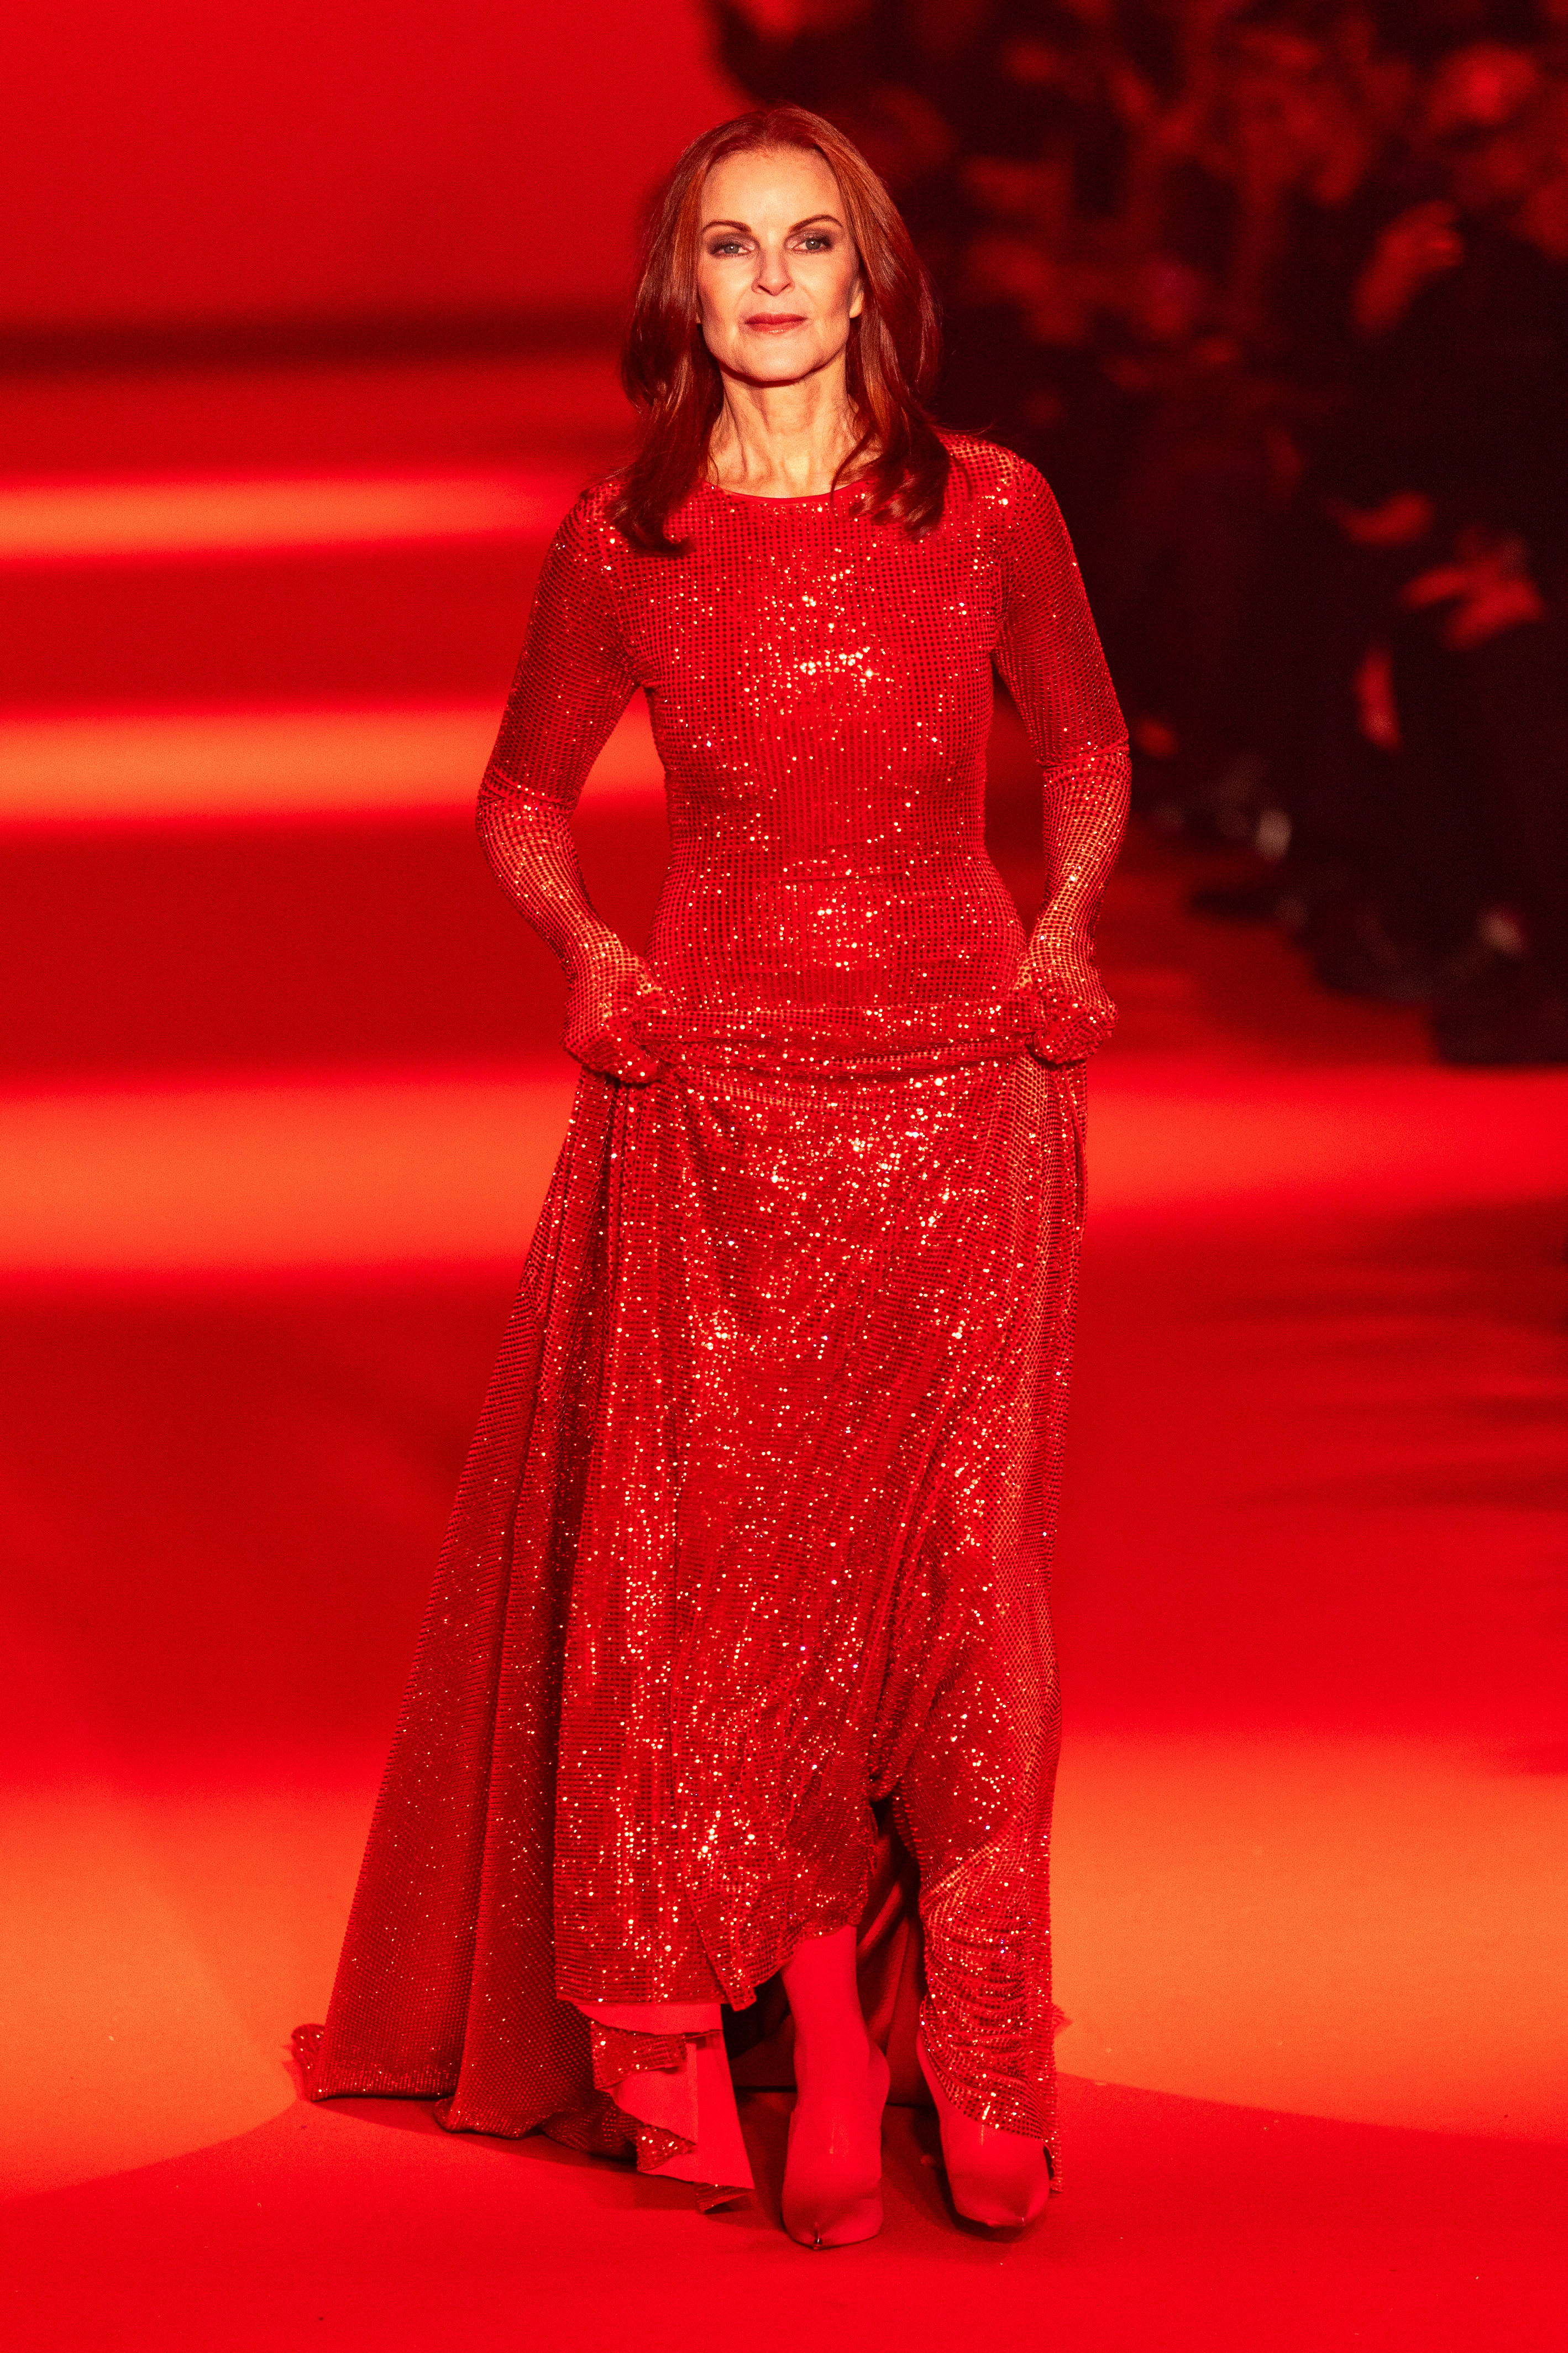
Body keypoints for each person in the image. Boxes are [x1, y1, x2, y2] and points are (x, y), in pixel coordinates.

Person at [295, 104, 1129, 2248]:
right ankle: (820, 2032)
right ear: (682, 290)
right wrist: (586, 949)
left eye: (811, 244)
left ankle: (985, 2031)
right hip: (723, 1095)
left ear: (874, 278)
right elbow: (519, 797)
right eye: (729, 248)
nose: (770, 283)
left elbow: (1094, 744)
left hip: (963, 1083)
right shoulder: (625, 539)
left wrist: (1060, 922)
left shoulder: (990, 507)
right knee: (747, 1597)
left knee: (960, 1581)